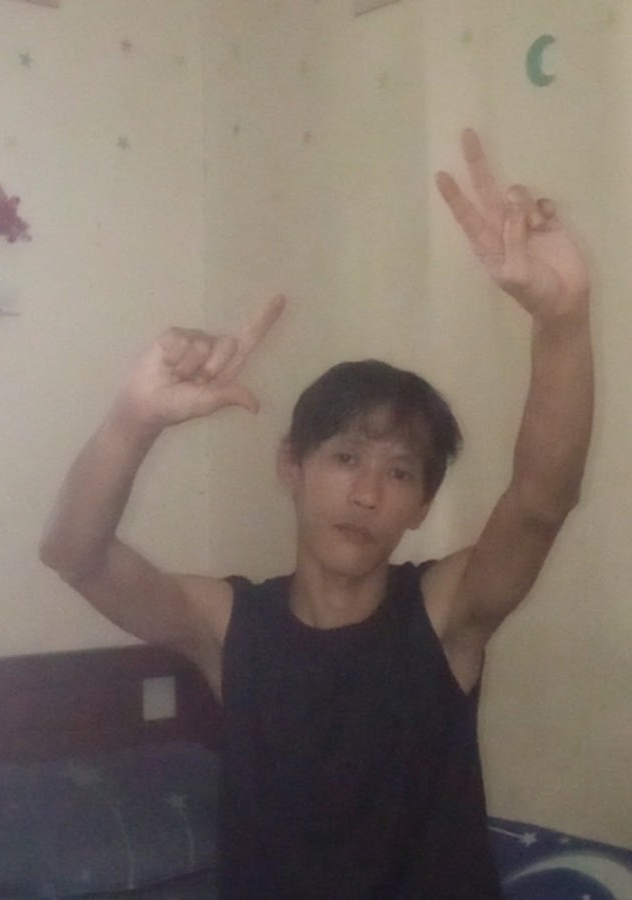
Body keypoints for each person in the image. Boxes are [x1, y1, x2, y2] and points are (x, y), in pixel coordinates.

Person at [40, 127, 594, 898]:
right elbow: (76, 555)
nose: (367, 493)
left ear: (421, 504)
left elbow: (539, 502)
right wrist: (135, 418)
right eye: (344, 458)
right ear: (291, 468)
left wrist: (562, 324)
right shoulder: (232, 626)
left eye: (398, 472)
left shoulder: (442, 616)